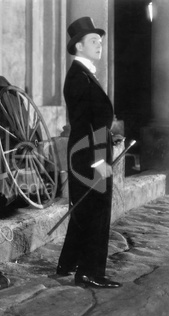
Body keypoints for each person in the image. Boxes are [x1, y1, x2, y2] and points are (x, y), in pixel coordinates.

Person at [56, 17, 122, 288]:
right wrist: (98, 162)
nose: (99, 45)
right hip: (88, 153)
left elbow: (96, 120)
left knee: (83, 207)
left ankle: (68, 263)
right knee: (95, 210)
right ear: (78, 46)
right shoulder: (80, 79)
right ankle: (90, 272)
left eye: (100, 42)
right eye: (94, 41)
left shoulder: (83, 75)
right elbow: (86, 126)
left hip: (87, 150)